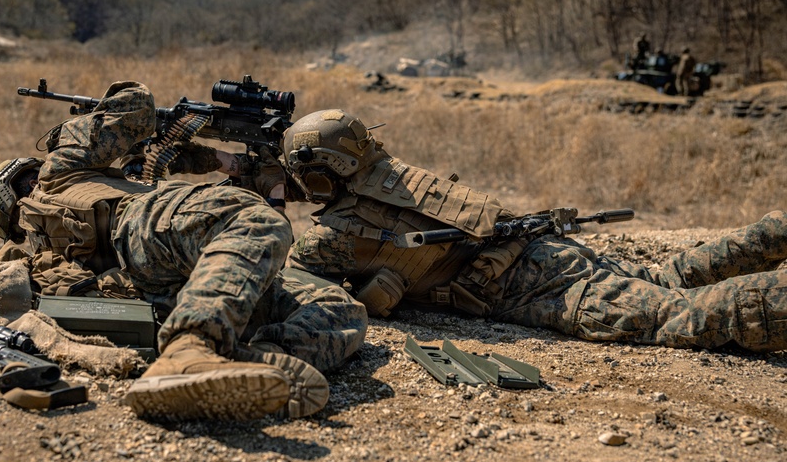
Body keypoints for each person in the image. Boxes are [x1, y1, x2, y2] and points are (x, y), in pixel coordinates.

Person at [0, 82, 367, 422]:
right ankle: (190, 347)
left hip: (163, 282)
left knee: (340, 308)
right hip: (137, 227)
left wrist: (214, 157)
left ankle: (239, 360)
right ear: (24, 180)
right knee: (254, 219)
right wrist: (87, 123)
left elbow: (151, 164)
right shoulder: (58, 171)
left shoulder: (40, 253)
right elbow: (136, 102)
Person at [279, 109, 787, 354]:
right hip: (542, 246)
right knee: (665, 277)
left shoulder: (330, 238)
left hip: (533, 285)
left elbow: (298, 283)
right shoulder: (394, 178)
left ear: (320, 174)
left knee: (675, 317)